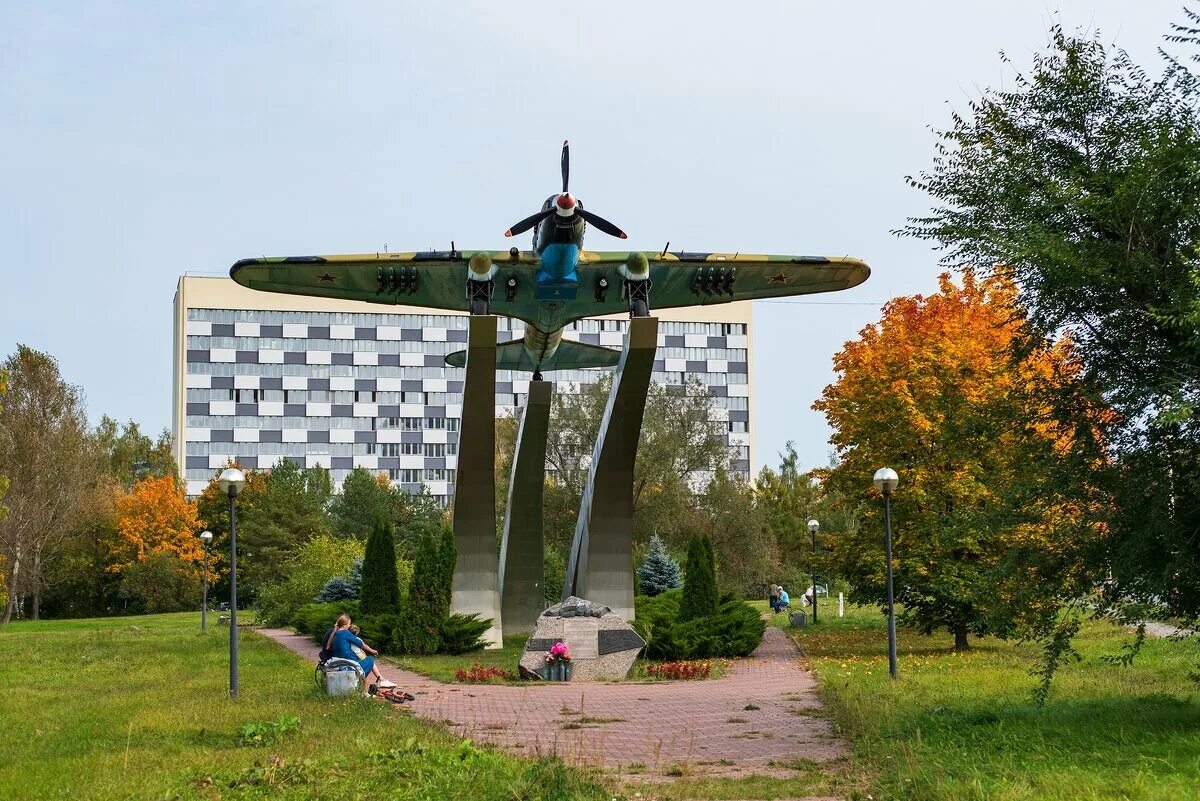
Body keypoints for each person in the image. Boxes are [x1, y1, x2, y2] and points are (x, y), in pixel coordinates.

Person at [324, 614, 395, 689]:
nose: (349, 625)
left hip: (340, 662)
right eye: (349, 624)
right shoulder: (345, 632)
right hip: (350, 662)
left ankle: (379, 680)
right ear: (344, 625)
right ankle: (379, 681)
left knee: (366, 660)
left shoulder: (335, 634)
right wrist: (372, 650)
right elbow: (360, 643)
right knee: (370, 660)